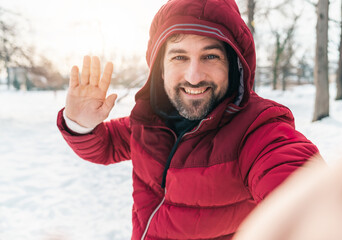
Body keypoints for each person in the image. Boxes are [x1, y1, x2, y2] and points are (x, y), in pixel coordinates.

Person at [57, 0, 319, 239]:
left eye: (210, 56)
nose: (194, 76)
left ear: (234, 64)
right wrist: (79, 124)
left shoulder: (258, 129)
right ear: (160, 67)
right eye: (179, 56)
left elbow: (307, 199)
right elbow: (105, 147)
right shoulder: (149, 120)